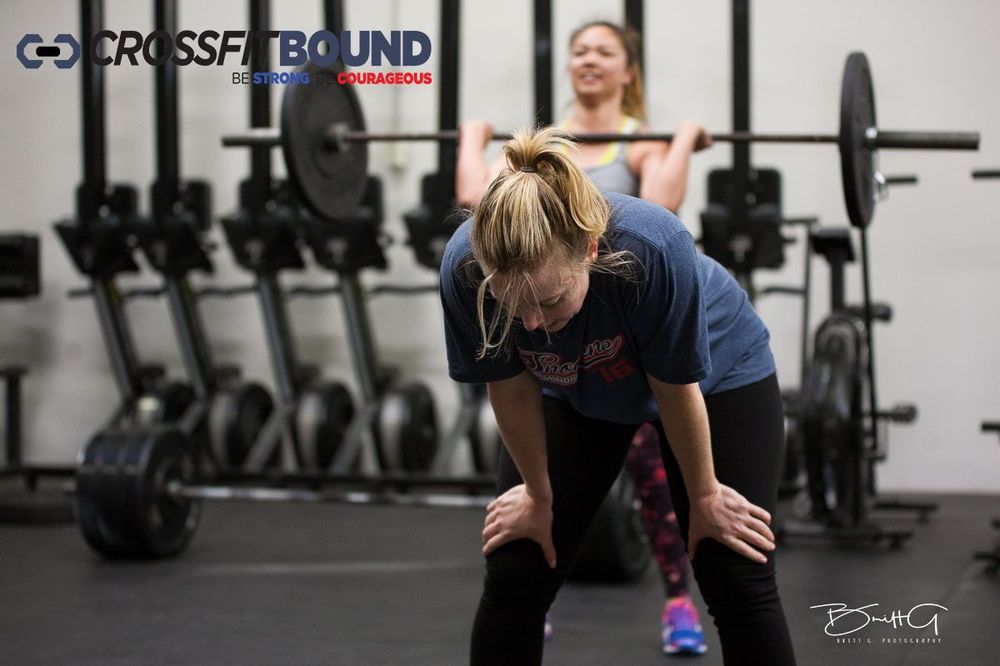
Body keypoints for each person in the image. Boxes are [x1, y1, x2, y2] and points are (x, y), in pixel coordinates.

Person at [439, 127, 797, 666]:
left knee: (732, 566)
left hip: (715, 376)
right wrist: (537, 495)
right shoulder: (465, 268)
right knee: (519, 564)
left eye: (549, 301)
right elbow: (510, 386)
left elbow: (674, 389)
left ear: (589, 249)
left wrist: (704, 497)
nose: (531, 324)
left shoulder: (652, 247)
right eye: (513, 305)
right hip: (577, 388)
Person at [455, 20, 713, 656]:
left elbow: (661, 207)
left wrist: (680, 137)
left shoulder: (637, 139)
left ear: (628, 71)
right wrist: (471, 138)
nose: (589, 60)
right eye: (579, 51)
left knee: (656, 478)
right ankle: (535, 603)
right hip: (558, 343)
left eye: (604, 51)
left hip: (627, 334)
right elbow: (474, 203)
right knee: (545, 496)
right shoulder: (536, 151)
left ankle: (678, 600)